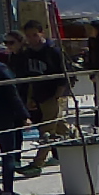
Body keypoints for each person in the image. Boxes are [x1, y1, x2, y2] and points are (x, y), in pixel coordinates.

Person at [14, 20, 67, 170]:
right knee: (59, 127)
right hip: (37, 94)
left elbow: (63, 75)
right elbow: (29, 77)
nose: (32, 39)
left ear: (41, 33)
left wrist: (57, 96)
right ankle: (81, 140)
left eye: (34, 35)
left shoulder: (52, 51)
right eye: (28, 36)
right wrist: (30, 97)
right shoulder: (28, 53)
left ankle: (37, 164)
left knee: (47, 130)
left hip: (52, 94)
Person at [0, 47, 28, 195]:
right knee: (8, 154)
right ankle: (8, 192)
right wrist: (24, 115)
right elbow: (12, 92)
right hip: (2, 116)